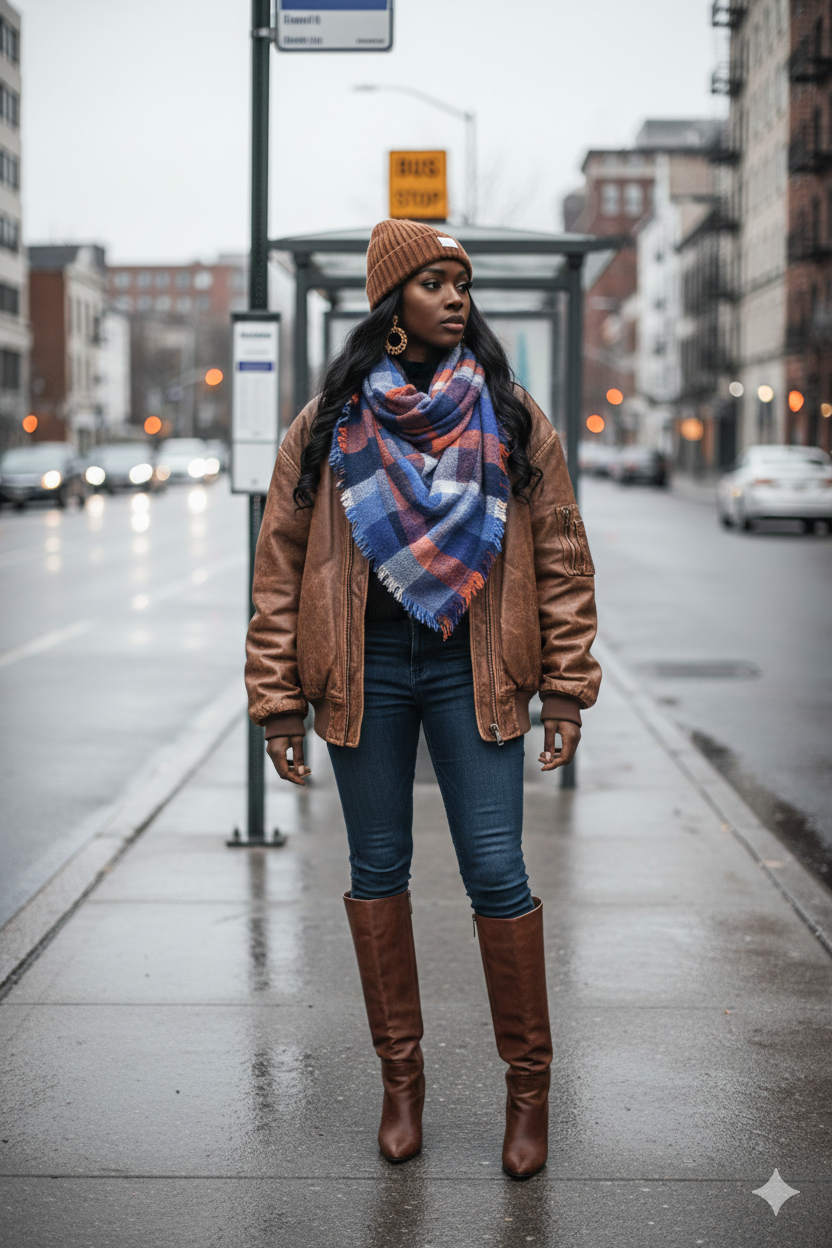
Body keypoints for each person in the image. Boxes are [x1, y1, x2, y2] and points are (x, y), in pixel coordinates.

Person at [245, 219, 601, 1178]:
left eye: (461, 282)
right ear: (391, 303)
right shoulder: (326, 426)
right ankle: (402, 1085)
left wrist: (567, 689)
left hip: (472, 668)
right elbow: (279, 570)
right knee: (377, 868)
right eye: (435, 281)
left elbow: (563, 558)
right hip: (365, 673)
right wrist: (277, 699)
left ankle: (529, 1092)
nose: (455, 297)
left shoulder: (513, 417)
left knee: (497, 872)